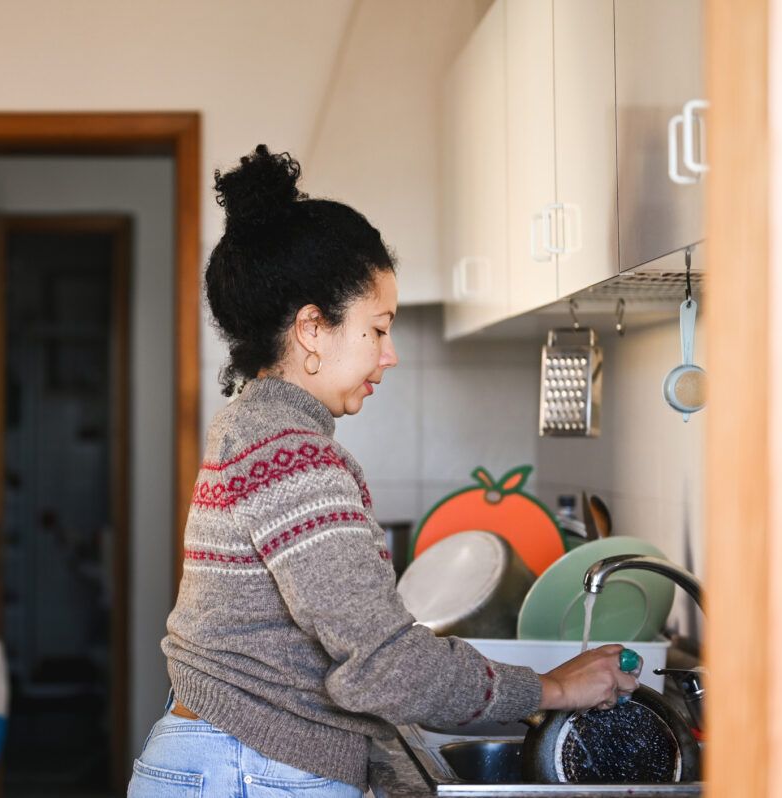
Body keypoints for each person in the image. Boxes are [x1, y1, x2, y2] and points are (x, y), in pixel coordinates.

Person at [126, 145, 638, 797]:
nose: (389, 356)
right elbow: (384, 666)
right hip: (249, 771)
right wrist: (554, 687)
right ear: (313, 328)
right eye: (378, 328)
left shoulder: (256, 427)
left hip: (231, 761)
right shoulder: (294, 452)